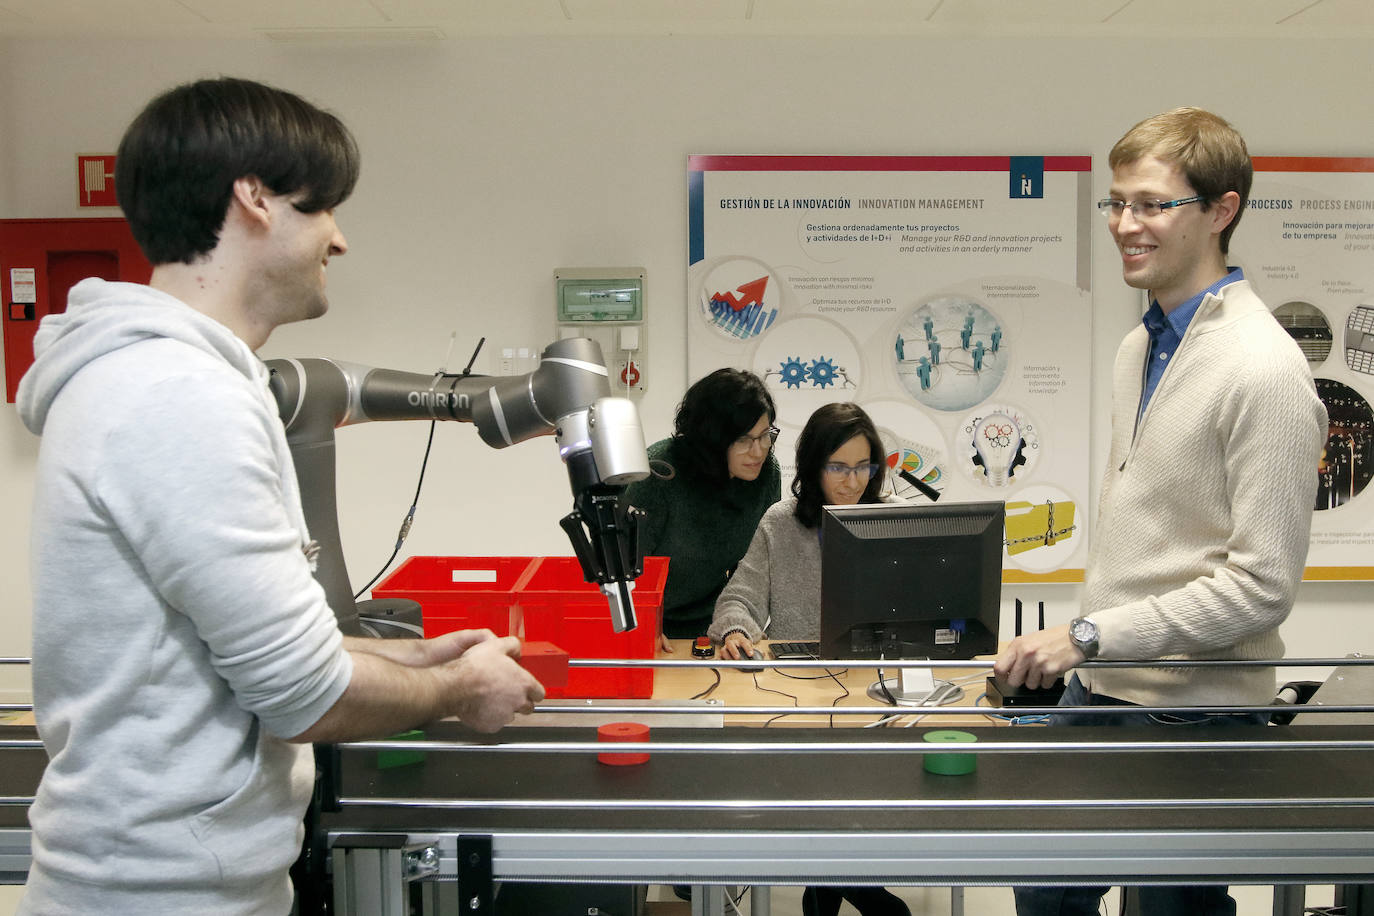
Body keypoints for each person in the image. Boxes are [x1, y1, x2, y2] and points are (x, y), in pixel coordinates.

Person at [15, 77, 544, 915]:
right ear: (254, 198)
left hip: (174, 879)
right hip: (163, 894)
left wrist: (411, 656)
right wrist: (462, 690)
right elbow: (303, 694)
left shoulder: (150, 379)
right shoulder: (179, 396)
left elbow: (238, 657)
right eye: (324, 207)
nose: (340, 240)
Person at [993, 107, 1327, 916]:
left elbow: (1260, 588)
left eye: (1149, 204)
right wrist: (1086, 649)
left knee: (1173, 906)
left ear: (1222, 210)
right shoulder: (1137, 347)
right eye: (1115, 203)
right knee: (1041, 892)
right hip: (1104, 689)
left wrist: (1085, 635)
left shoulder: (1266, 371)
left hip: (1198, 708)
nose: (1123, 224)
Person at [709, 402, 899, 661]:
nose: (853, 482)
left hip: (883, 674)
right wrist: (735, 631)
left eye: (863, 467)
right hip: (796, 676)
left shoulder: (897, 519)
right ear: (814, 467)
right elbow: (739, 600)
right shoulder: (781, 522)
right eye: (838, 468)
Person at [625, 368, 782, 650]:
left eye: (765, 435)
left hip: (713, 622)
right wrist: (643, 624)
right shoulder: (658, 472)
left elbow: (753, 567)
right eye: (744, 440)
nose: (758, 451)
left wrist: (739, 625)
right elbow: (625, 567)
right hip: (650, 624)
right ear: (711, 440)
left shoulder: (766, 474)